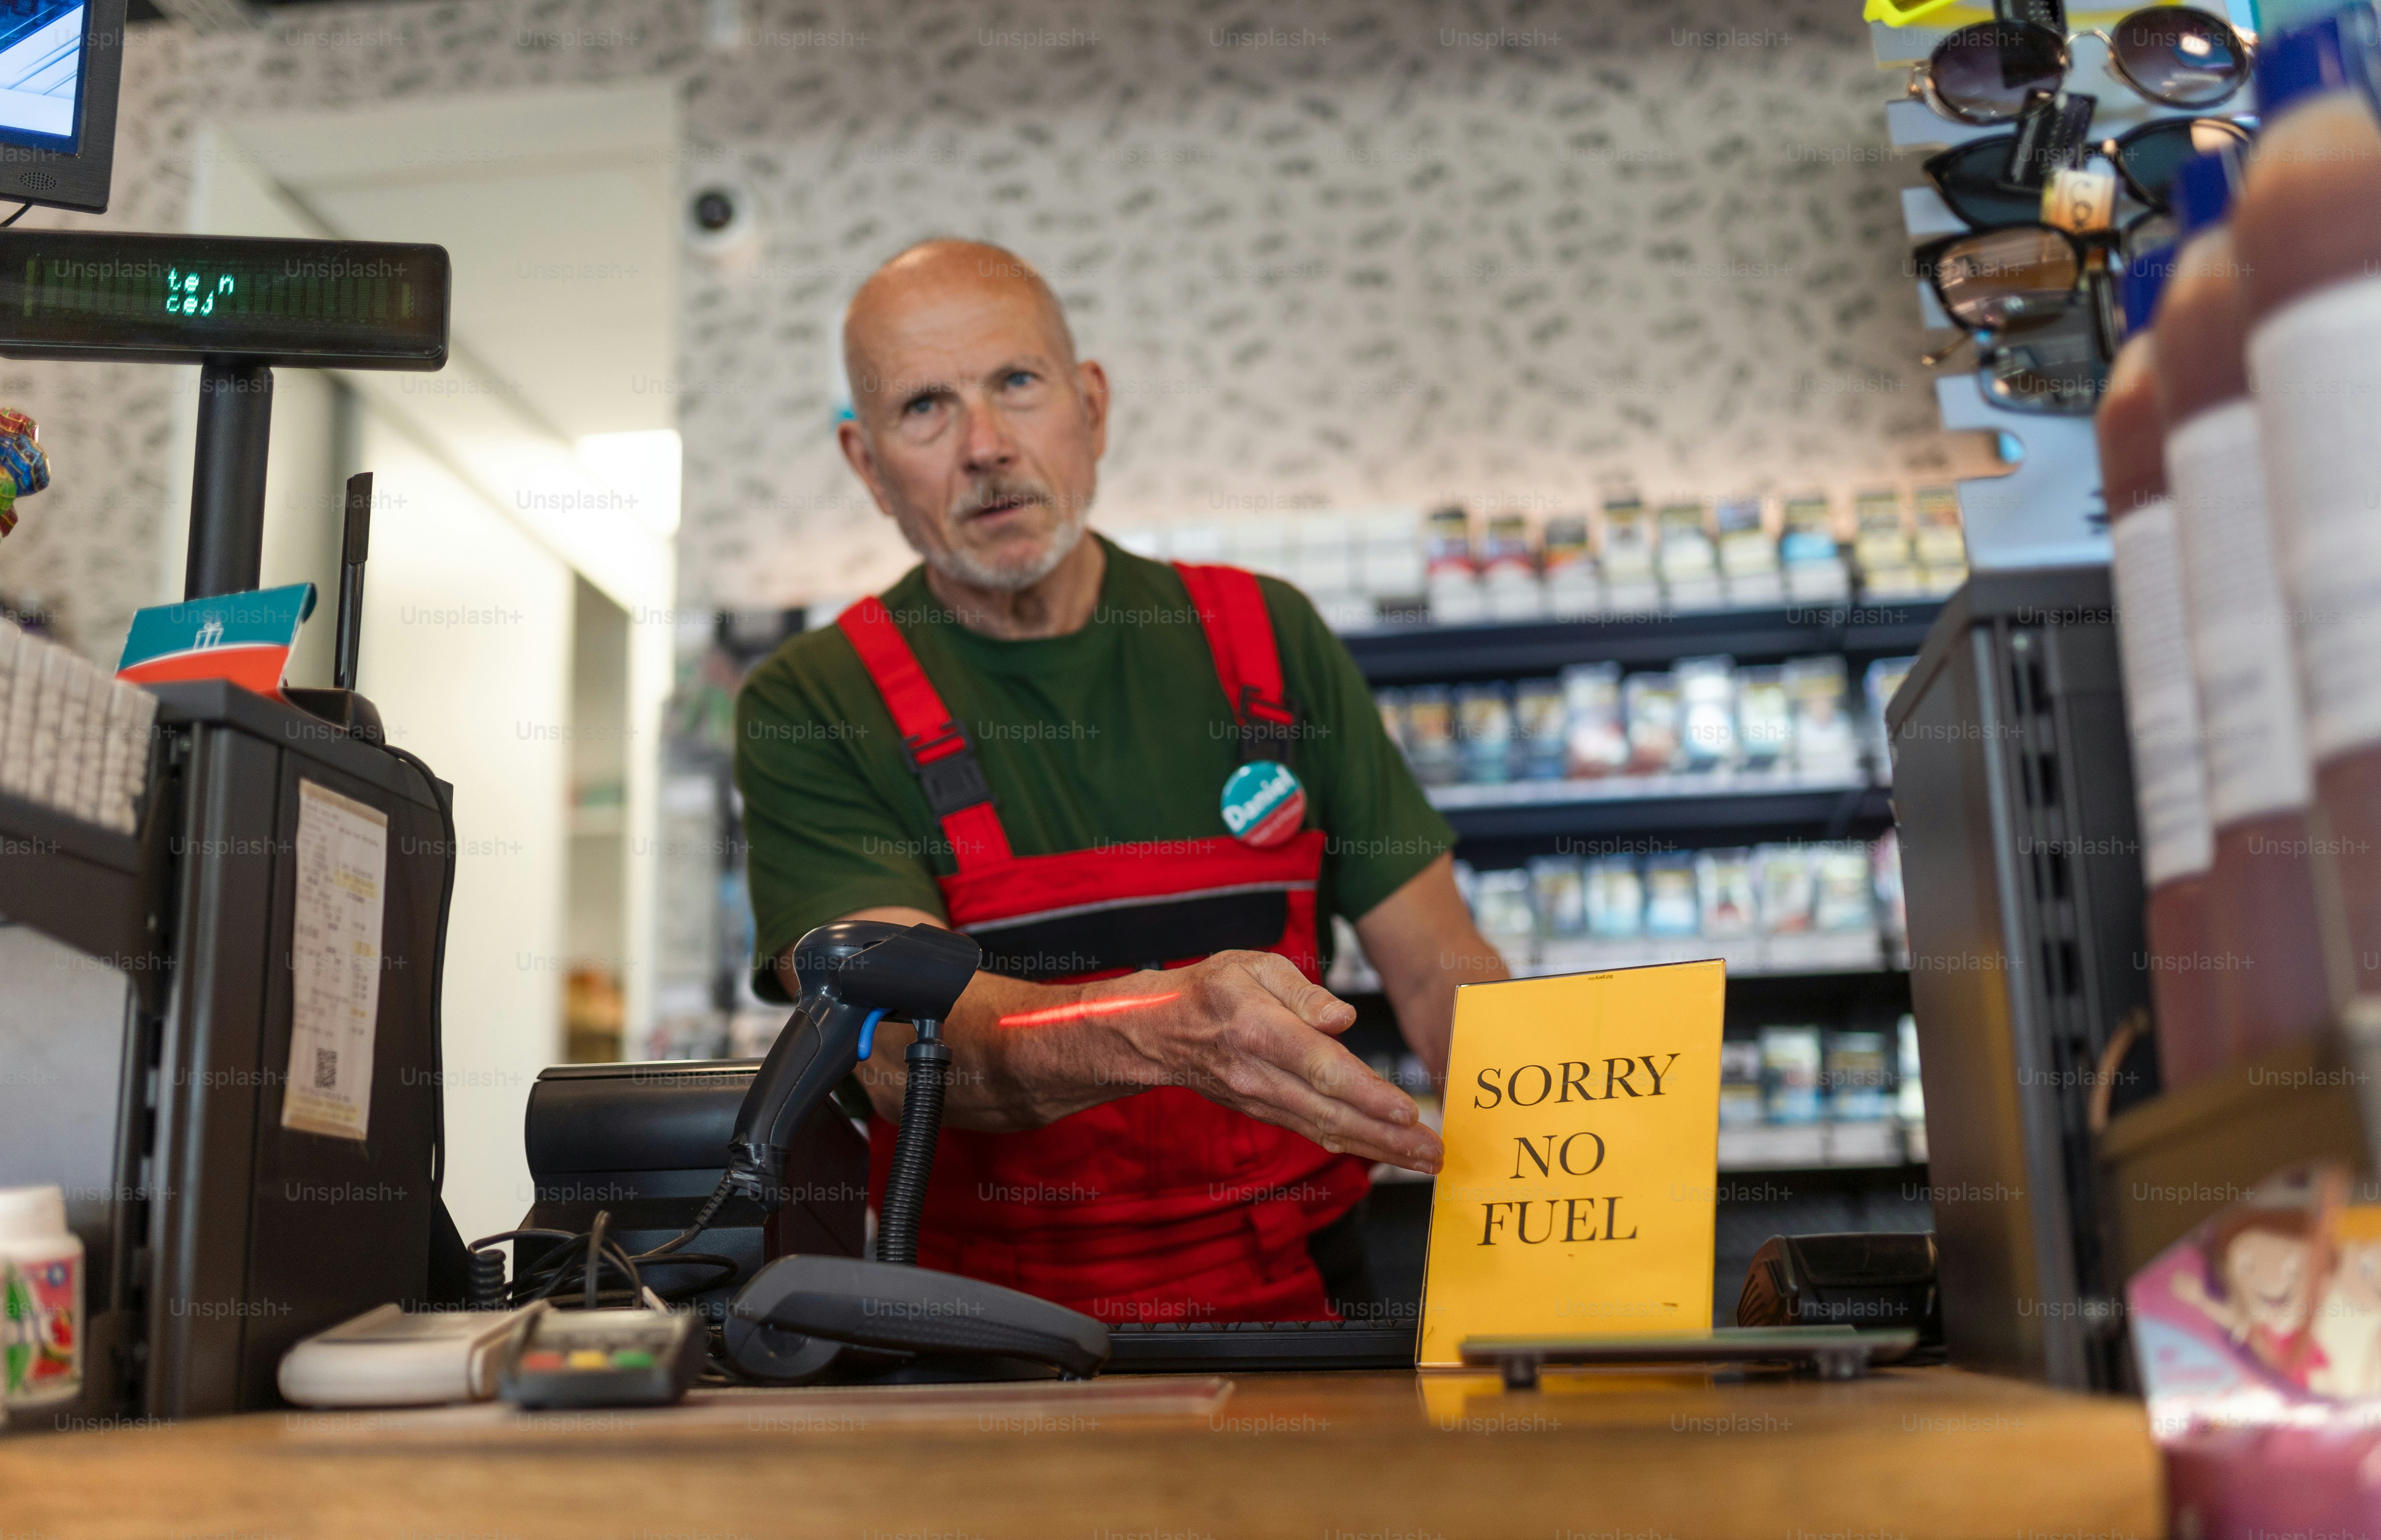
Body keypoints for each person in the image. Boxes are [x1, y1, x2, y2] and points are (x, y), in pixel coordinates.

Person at [735, 238, 1508, 1326]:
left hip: (1305, 1299)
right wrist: (1161, 1028)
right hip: (987, 1328)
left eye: (1017, 382)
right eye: (925, 408)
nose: (987, 447)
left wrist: (1573, 1160)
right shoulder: (815, 701)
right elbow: (900, 1057)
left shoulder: (1269, 636)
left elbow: (1441, 978)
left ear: (1089, 405)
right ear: (866, 465)